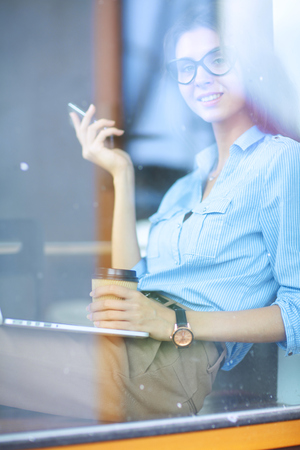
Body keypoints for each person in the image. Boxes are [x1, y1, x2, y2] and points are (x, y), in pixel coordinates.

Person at [1, 3, 300, 422]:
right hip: (128, 342)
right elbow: (132, 281)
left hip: (172, 366)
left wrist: (177, 321)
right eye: (186, 67)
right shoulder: (185, 187)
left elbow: (297, 311)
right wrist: (121, 174)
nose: (202, 78)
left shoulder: (281, 161)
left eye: (217, 60)